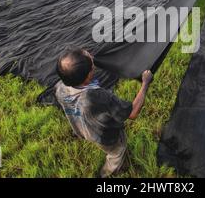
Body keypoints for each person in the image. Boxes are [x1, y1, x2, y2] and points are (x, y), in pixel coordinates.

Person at [54, 48, 153, 178]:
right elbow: (132, 113)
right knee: (116, 152)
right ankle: (106, 174)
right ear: (88, 76)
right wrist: (145, 83)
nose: (91, 56)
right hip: (105, 136)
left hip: (82, 129)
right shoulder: (98, 97)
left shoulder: (60, 87)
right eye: (91, 63)